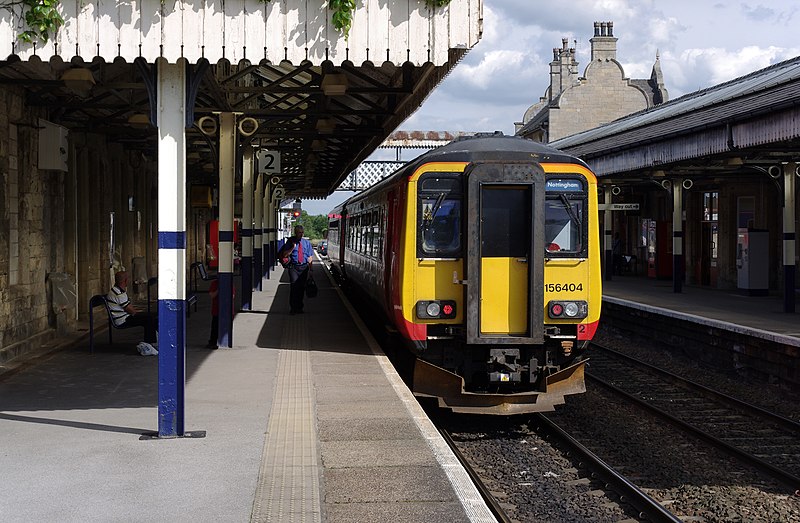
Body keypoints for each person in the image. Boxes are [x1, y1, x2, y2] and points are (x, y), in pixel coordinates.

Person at [106, 270, 159, 353]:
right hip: (122, 320)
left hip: (125, 316)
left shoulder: (116, 290)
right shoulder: (118, 294)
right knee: (148, 319)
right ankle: (149, 343)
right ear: (125, 281)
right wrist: (140, 314)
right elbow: (132, 311)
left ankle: (155, 340)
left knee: (152, 316)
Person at [279, 225, 313, 314]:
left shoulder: (306, 243)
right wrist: (292, 248)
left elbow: (309, 257)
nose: (301, 234)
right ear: (295, 232)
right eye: (299, 232)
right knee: (294, 287)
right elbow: (285, 254)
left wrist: (311, 269)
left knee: (301, 288)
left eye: (302, 232)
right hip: (294, 267)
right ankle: (293, 308)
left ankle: (300, 307)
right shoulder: (290, 242)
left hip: (304, 267)